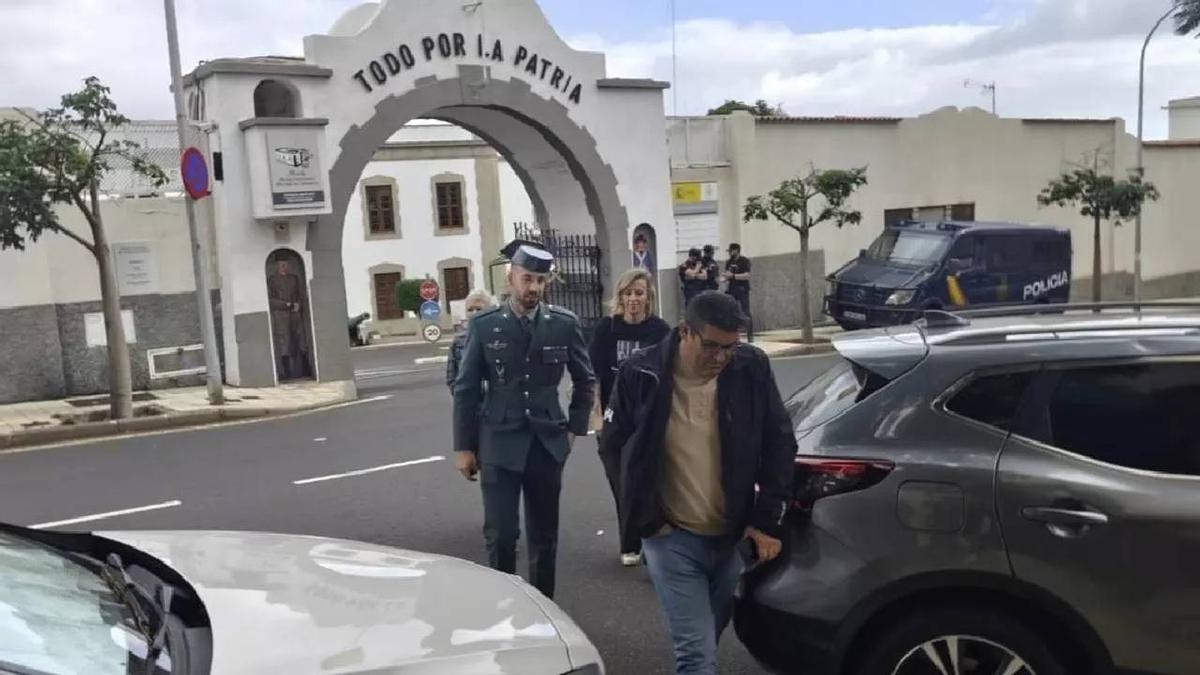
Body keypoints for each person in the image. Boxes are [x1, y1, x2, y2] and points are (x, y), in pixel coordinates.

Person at [601, 291, 795, 675]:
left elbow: (779, 441)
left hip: (731, 536)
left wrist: (766, 521)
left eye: (730, 347)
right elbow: (613, 447)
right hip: (670, 537)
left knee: (709, 633)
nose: (721, 358)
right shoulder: (641, 373)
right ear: (685, 332)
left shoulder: (749, 368)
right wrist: (644, 518)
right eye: (711, 347)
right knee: (696, 655)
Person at [452, 240, 595, 599]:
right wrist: (463, 448)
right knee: (501, 534)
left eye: (540, 280)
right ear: (510, 277)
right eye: (527, 278)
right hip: (498, 441)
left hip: (547, 444)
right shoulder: (485, 326)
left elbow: (585, 378)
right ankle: (506, 606)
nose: (533, 287)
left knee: (544, 535)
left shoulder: (562, 324)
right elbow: (467, 389)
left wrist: (575, 428)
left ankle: (545, 608)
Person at [587, 268, 671, 567]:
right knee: (621, 482)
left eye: (639, 293)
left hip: (648, 418)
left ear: (648, 296)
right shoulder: (607, 329)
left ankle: (643, 542)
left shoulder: (660, 331)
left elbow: (671, 375)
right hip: (613, 417)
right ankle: (633, 541)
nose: (633, 299)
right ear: (620, 296)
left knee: (647, 482)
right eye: (627, 293)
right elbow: (592, 375)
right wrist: (596, 416)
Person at [446, 289, 497, 389]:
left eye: (478, 309)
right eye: (470, 310)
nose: (474, 313)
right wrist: (461, 396)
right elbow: (452, 375)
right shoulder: (459, 341)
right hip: (469, 400)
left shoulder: (499, 337)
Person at [267, 258, 307, 380]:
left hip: (294, 315)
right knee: (284, 344)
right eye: (281, 264)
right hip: (281, 316)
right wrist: (285, 305)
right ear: (277, 266)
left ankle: (303, 369)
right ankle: (285, 372)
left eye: (285, 264)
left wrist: (298, 304)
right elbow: (271, 299)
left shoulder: (293, 279)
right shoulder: (272, 280)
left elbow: (300, 294)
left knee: (299, 341)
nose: (284, 266)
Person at [723, 243, 753, 339]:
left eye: (731, 250)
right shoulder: (729, 262)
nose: (730, 253)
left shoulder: (744, 261)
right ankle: (734, 334)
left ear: (736, 250)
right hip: (732, 289)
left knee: (745, 312)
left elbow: (747, 275)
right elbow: (727, 274)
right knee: (732, 312)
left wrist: (734, 276)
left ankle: (750, 334)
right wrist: (725, 278)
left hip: (742, 289)